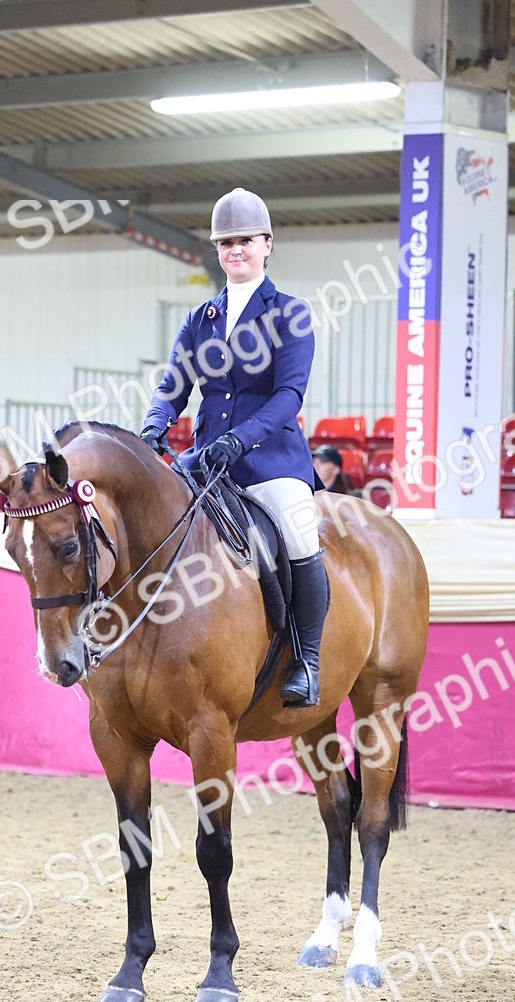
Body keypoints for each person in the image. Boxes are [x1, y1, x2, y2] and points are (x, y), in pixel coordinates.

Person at [140, 187, 326, 707]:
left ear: (267, 244)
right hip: (206, 463)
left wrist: (238, 440)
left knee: (297, 529)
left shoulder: (291, 313)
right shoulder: (202, 319)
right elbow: (173, 384)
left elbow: (289, 396)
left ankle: (306, 660)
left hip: (270, 460)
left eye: (244, 240)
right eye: (225, 243)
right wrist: (154, 426)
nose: (234, 250)